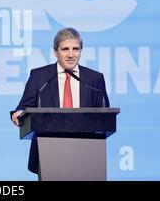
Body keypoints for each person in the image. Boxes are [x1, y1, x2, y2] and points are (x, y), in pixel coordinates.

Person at [10, 27, 110, 175]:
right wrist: (18, 113)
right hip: (48, 153)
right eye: (65, 49)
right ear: (56, 52)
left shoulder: (94, 79)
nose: (71, 54)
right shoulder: (40, 77)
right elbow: (24, 107)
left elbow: (104, 114)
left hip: (87, 153)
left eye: (75, 49)